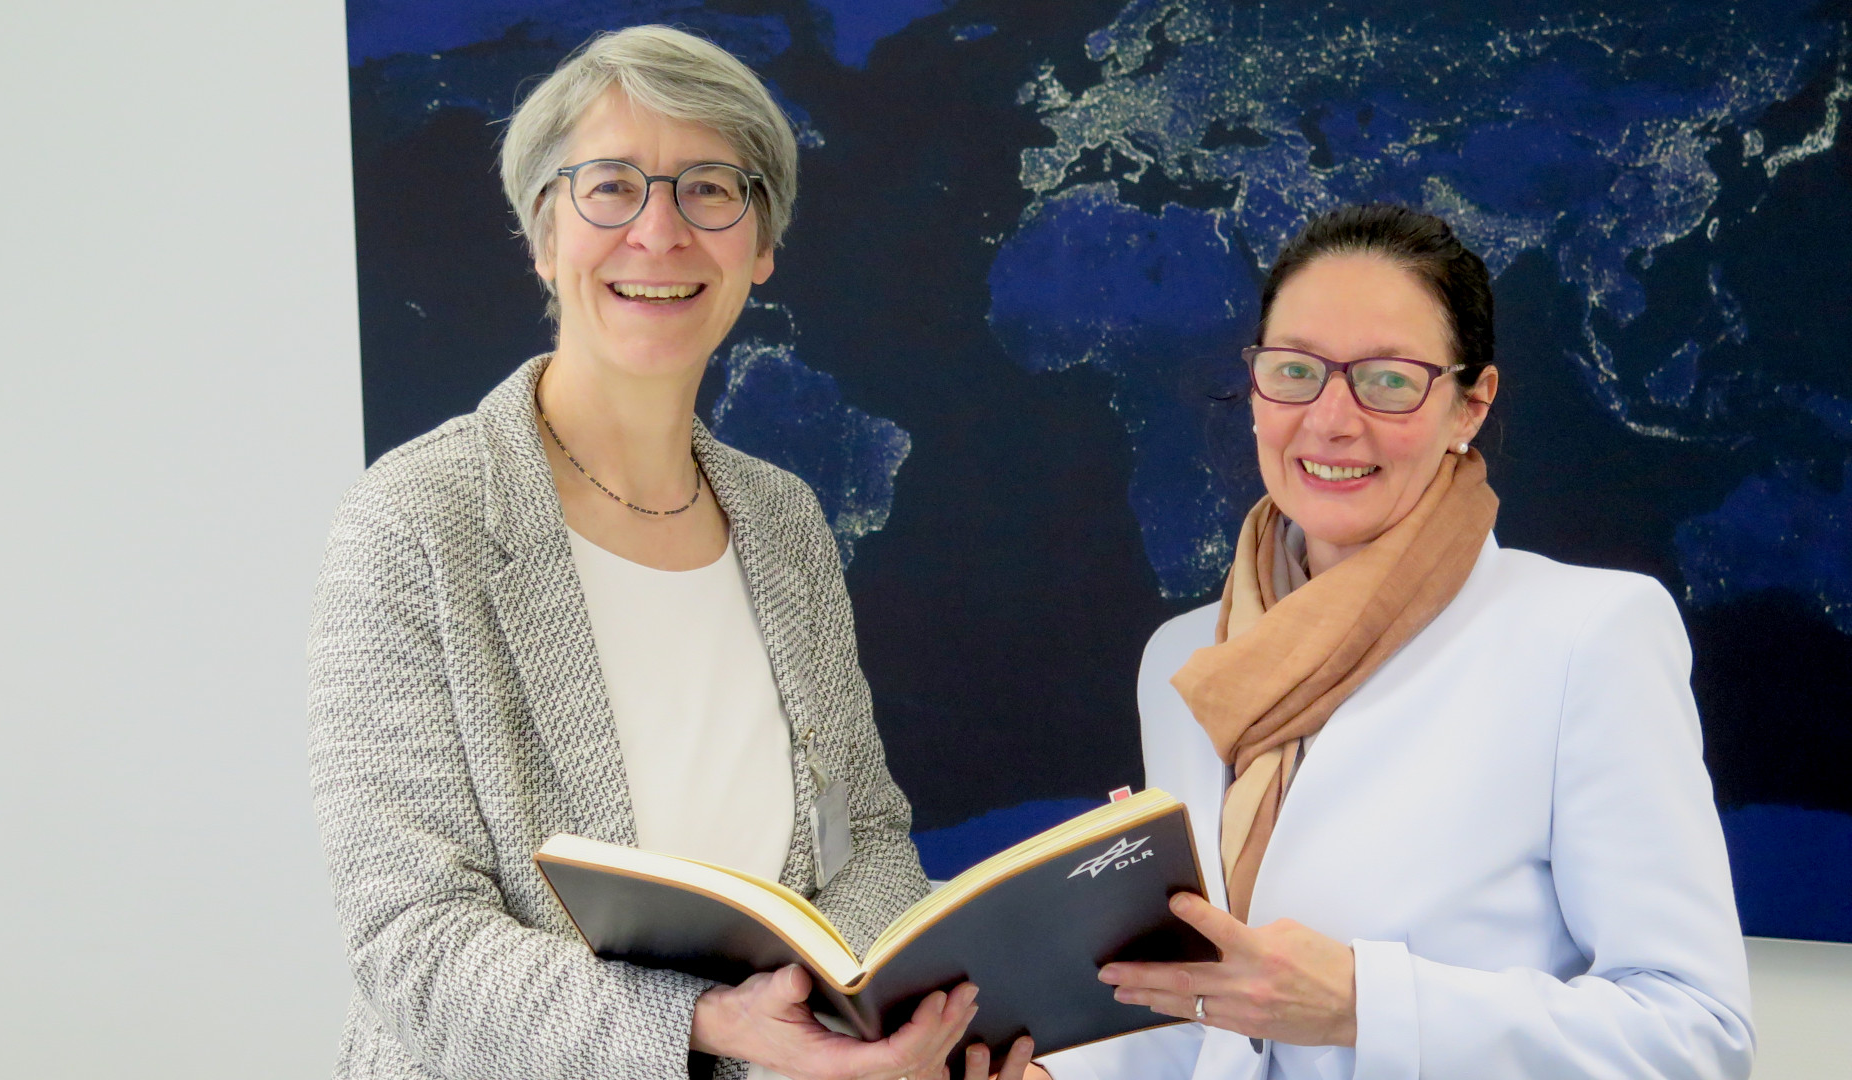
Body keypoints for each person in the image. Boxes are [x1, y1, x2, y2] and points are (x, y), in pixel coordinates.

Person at [308, 26, 1032, 1080]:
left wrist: (887, 1024)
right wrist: (705, 1025)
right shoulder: (412, 523)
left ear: (762, 245)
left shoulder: (782, 522)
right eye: (611, 186)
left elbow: (865, 835)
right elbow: (407, 941)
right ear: (542, 233)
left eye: (710, 189)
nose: (660, 232)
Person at [1038, 204, 1754, 1080]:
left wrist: (1364, 1005)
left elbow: (1697, 1033)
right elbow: (1210, 1017)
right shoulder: (1186, 656)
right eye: (1295, 371)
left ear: (1470, 404)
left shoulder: (1588, 636)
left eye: (1386, 379)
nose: (1332, 421)